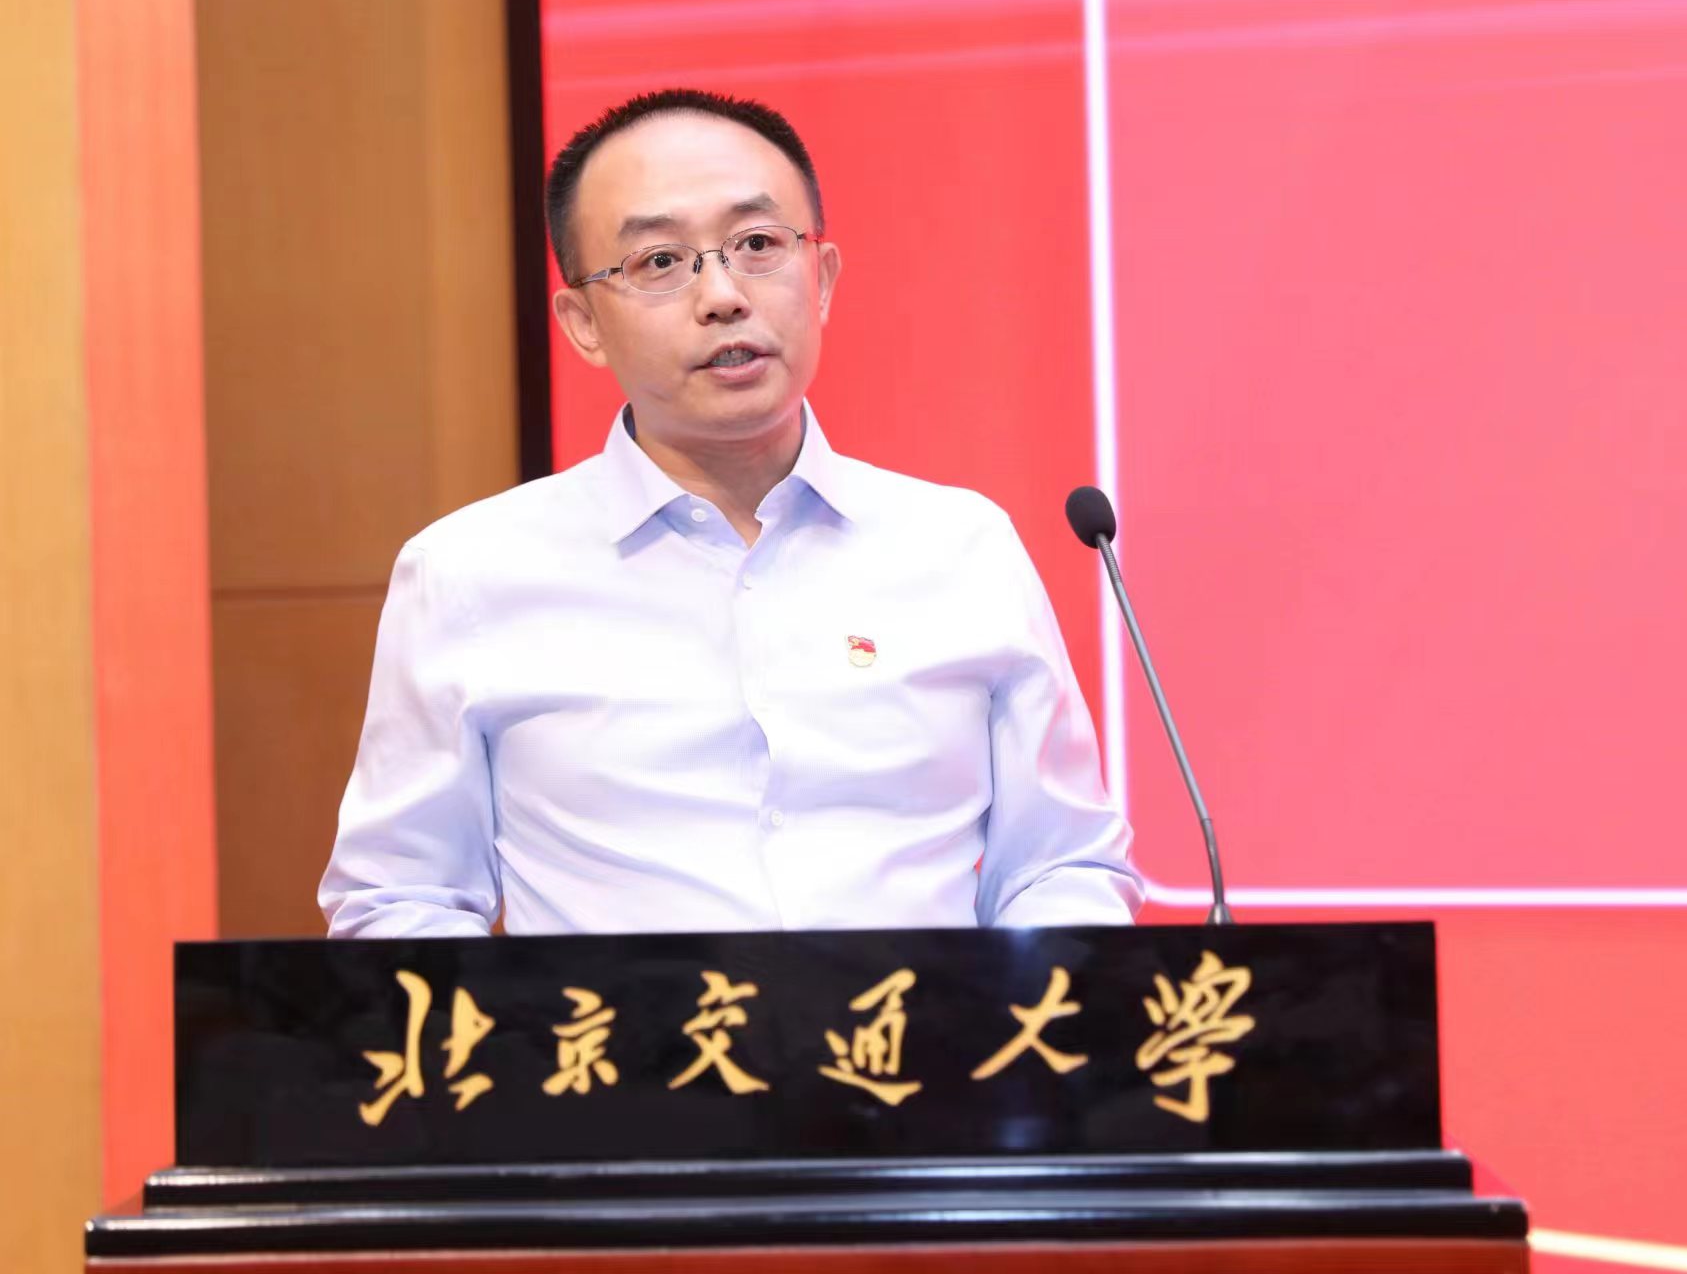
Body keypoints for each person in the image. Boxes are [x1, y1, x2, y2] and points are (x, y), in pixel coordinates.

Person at [319, 89, 1141, 936]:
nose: (721, 296)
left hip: (916, 1028)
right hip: (623, 1030)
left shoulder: (962, 547)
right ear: (583, 323)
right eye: (659, 261)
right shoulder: (468, 572)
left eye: (756, 245)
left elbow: (1061, 864)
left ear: (821, 280)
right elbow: (400, 899)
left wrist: (1018, 1003)